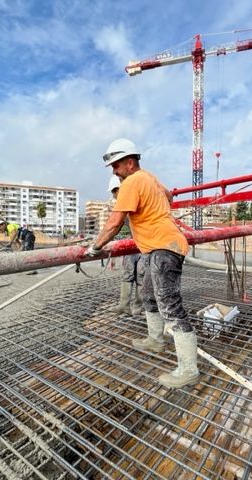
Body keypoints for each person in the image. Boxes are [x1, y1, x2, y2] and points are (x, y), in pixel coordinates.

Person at [86, 138, 199, 389]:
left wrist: (95, 247)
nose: (114, 172)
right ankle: (155, 339)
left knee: (170, 307)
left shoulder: (132, 182)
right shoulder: (150, 178)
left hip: (164, 247)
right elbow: (168, 197)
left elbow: (115, 223)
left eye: (116, 166)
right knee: (148, 294)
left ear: (129, 162)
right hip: (157, 247)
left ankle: (189, 370)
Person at [107, 174, 143, 315]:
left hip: (145, 244)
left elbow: (115, 225)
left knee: (141, 275)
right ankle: (124, 305)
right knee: (128, 273)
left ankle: (138, 307)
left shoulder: (134, 198)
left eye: (115, 193)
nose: (114, 196)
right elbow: (116, 224)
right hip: (133, 241)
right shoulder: (123, 203)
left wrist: (98, 245)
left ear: (119, 189)